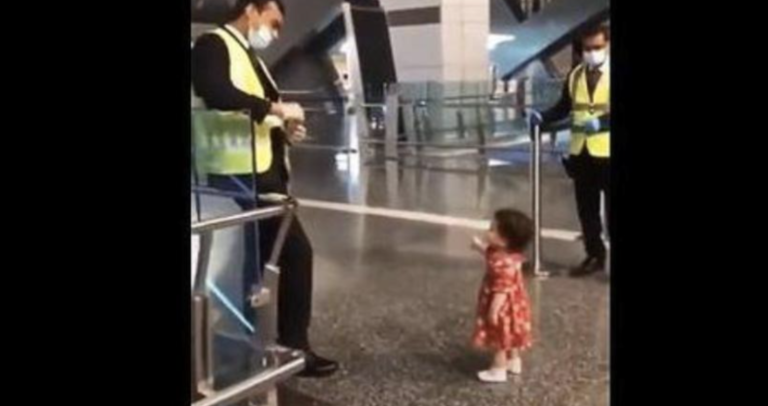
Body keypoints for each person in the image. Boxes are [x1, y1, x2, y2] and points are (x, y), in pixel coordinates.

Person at [191, 0, 338, 377]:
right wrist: (276, 111)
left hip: (260, 171)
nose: (272, 33)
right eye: (271, 22)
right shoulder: (213, 44)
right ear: (252, 10)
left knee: (256, 259)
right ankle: (293, 348)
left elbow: (256, 108)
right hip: (238, 173)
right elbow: (217, 93)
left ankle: (252, 342)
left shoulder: (246, 55)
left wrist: (283, 127)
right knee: (295, 253)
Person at [529, 24, 611, 277]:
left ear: (607, 45)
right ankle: (594, 255)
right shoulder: (575, 75)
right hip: (581, 152)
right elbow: (563, 107)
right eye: (587, 48)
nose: (592, 52)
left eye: (597, 47)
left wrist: (602, 122)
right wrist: (541, 115)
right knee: (586, 210)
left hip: (609, 151)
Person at [470, 209, 534, 382]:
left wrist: (493, 310)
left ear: (505, 240)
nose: (487, 231)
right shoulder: (509, 256)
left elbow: (501, 290)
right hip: (516, 305)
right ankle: (514, 361)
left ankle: (498, 369)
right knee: (510, 334)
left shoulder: (502, 262)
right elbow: (489, 254)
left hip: (503, 306)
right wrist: (478, 247)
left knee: (499, 338)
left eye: (492, 229)